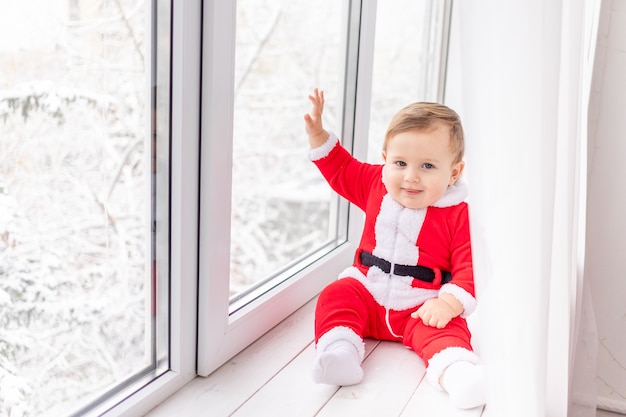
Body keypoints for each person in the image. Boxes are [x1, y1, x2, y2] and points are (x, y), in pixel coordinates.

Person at [303, 88, 486, 409]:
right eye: (400, 163)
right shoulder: (376, 183)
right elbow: (341, 169)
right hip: (368, 291)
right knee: (336, 296)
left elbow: (470, 268)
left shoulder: (458, 215)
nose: (411, 177)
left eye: (428, 166)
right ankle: (340, 352)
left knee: (448, 333)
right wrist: (318, 134)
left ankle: (458, 374)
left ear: (454, 172)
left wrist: (448, 303)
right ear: (385, 160)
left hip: (421, 306)